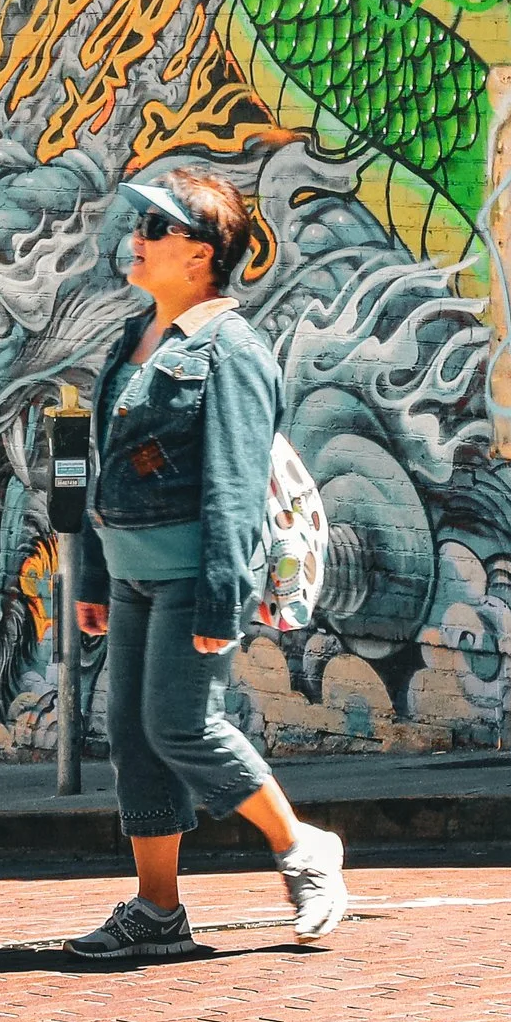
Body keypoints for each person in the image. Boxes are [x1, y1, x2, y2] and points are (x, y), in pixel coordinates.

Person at [66, 167, 351, 958]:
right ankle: (157, 910)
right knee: (133, 735)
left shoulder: (232, 348)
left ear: (201, 253)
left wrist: (223, 596)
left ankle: (302, 845)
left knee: (182, 724)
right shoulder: (136, 337)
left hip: (193, 577)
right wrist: (95, 576)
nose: (137, 238)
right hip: (131, 572)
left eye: (156, 228)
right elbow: (105, 462)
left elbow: (233, 480)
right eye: (141, 225)